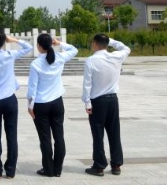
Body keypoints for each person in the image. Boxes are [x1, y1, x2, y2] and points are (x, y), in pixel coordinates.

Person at [0, 31, 33, 179]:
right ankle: (10, 170)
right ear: (4, 42)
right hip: (10, 99)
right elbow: (28, 47)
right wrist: (14, 40)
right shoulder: (10, 55)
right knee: (12, 135)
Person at [26, 33, 78, 178]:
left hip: (41, 105)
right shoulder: (59, 58)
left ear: (39, 46)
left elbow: (32, 88)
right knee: (59, 137)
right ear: (51, 44)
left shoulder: (36, 64)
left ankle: (48, 169)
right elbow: (74, 50)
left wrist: (30, 106)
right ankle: (58, 169)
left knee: (45, 139)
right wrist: (59, 43)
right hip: (57, 102)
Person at [82, 34, 131, 177]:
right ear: (106, 44)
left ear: (95, 43)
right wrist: (112, 41)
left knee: (98, 135)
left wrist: (87, 102)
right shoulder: (116, 57)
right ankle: (116, 164)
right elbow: (126, 48)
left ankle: (99, 166)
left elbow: (87, 84)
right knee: (114, 132)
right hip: (113, 100)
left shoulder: (91, 61)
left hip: (97, 101)